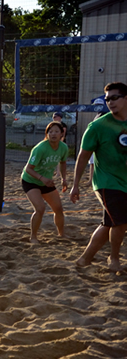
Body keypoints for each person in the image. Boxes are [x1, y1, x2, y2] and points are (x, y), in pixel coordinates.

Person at [70, 82, 127, 272]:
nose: (109, 102)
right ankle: (114, 258)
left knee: (109, 223)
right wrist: (75, 185)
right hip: (106, 182)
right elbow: (83, 156)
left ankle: (84, 259)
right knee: (121, 221)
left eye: (114, 98)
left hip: (124, 181)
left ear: (125, 98)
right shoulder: (98, 126)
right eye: (107, 99)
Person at [21, 121, 68, 244]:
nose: (53, 134)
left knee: (58, 209)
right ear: (46, 134)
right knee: (40, 208)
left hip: (47, 182)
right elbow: (28, 168)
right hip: (31, 180)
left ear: (62, 133)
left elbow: (63, 163)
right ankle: (33, 237)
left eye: (56, 131)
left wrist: (64, 179)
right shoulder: (40, 148)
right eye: (50, 131)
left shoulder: (63, 148)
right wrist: (42, 178)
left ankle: (61, 234)